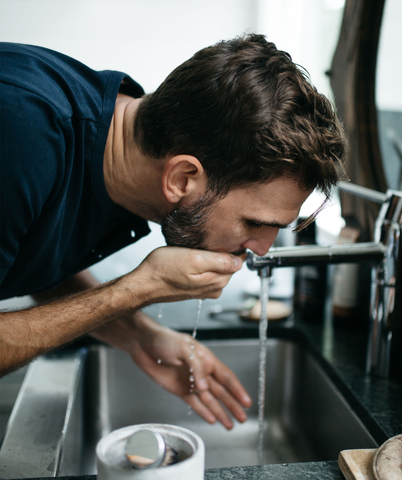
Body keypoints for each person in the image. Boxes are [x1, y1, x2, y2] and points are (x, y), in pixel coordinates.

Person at [0, 35, 347, 430]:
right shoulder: (18, 133)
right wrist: (136, 289)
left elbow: (36, 255)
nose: (262, 249)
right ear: (182, 178)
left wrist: (138, 336)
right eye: (256, 223)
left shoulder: (119, 156)